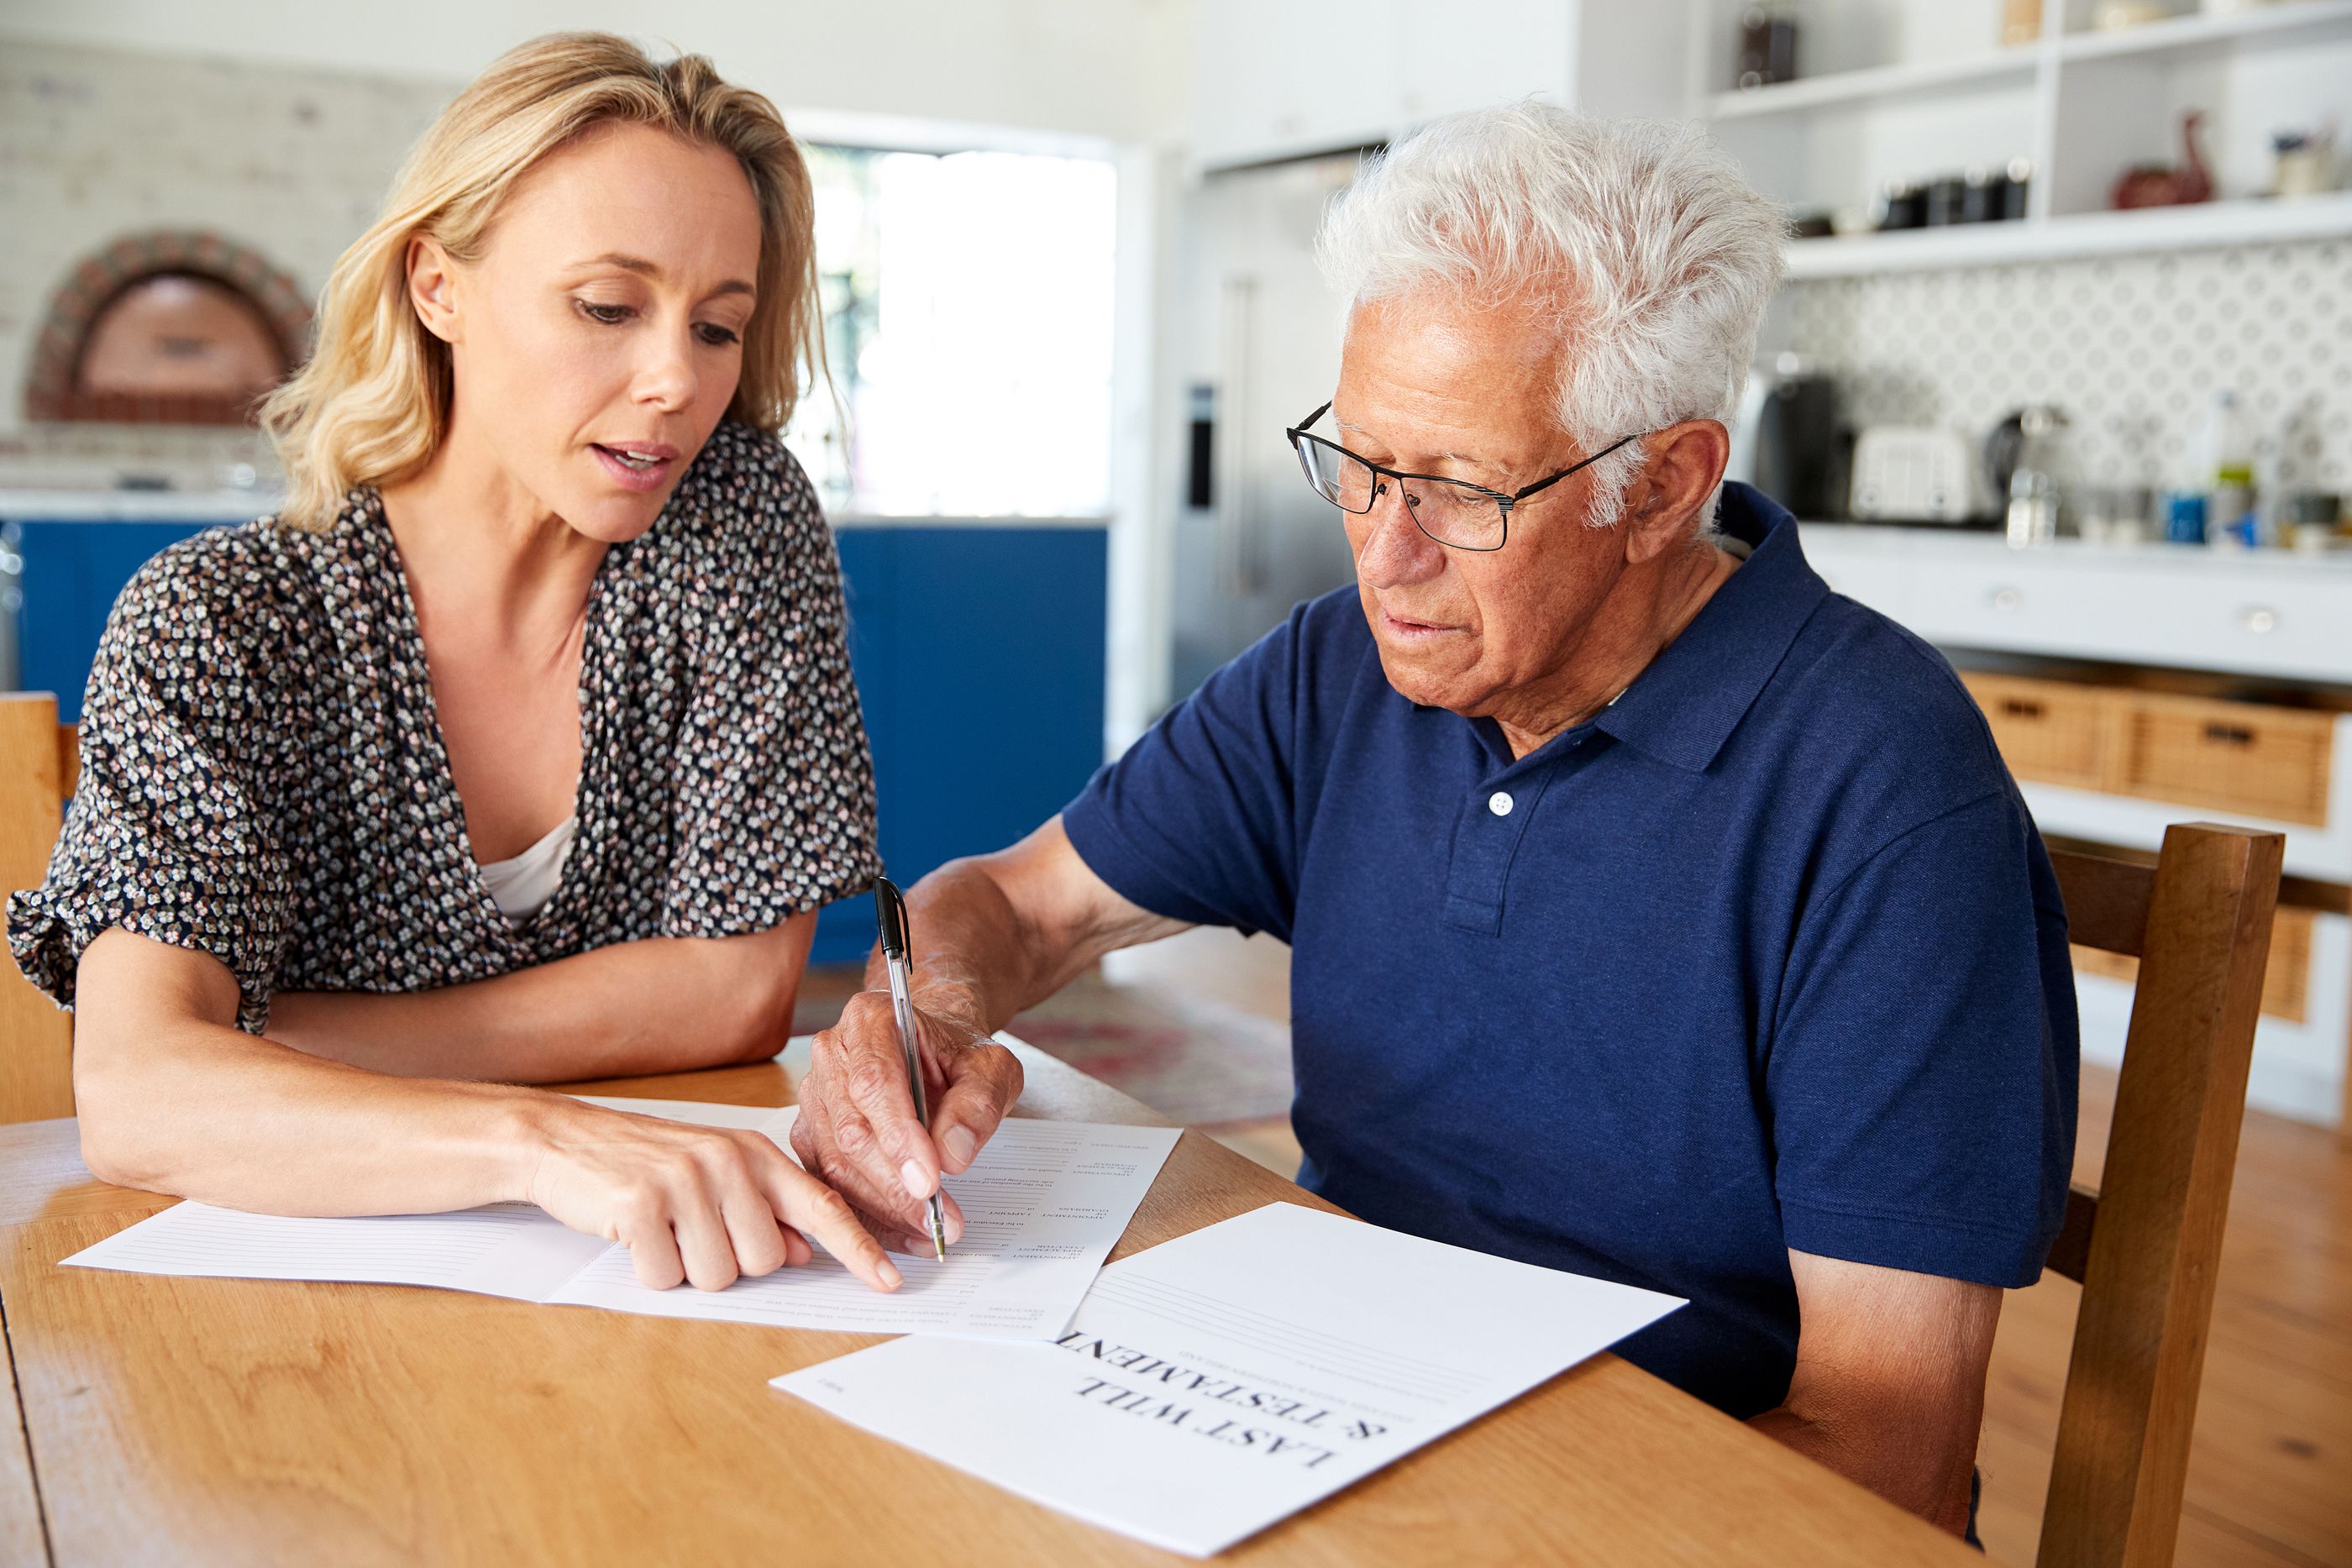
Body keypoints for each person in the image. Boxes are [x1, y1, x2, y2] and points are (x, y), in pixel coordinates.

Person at [790, 104, 2076, 1539]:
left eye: (1462, 491)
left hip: (1639, 1506)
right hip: (1314, 1415)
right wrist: (929, 1022)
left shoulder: (1884, 789)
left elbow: (1885, 1455)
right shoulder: (1345, 668)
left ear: (1662, 485)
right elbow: (1024, 904)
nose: (1384, 551)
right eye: (1360, 461)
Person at [8, 33, 900, 1298]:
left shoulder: (732, 516)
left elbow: (742, 991)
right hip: (299, 1311)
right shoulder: (224, 620)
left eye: (717, 327)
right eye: (607, 307)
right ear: (439, 286)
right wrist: (539, 1138)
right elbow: (142, 1095)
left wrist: (278, 1042)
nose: (675, 382)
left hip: (648, 1292)